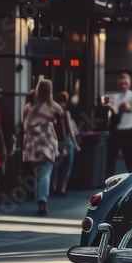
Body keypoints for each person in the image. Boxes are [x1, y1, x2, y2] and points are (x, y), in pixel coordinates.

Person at [22, 79, 63, 216]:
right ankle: (42, 201)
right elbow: (61, 122)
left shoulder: (30, 107)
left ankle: (38, 198)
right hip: (47, 142)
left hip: (33, 143)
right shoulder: (53, 106)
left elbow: (25, 125)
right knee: (46, 173)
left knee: (38, 172)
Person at [106, 73, 132, 176]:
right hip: (116, 131)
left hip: (129, 130)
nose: (123, 86)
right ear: (118, 84)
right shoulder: (114, 96)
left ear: (129, 83)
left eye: (125, 83)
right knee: (110, 160)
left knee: (131, 161)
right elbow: (111, 114)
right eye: (121, 84)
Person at [51, 91, 80, 196]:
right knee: (68, 164)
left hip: (55, 140)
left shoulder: (53, 110)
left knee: (56, 165)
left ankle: (53, 186)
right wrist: (76, 144)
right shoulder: (66, 112)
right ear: (67, 100)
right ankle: (62, 188)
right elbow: (69, 129)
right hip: (67, 141)